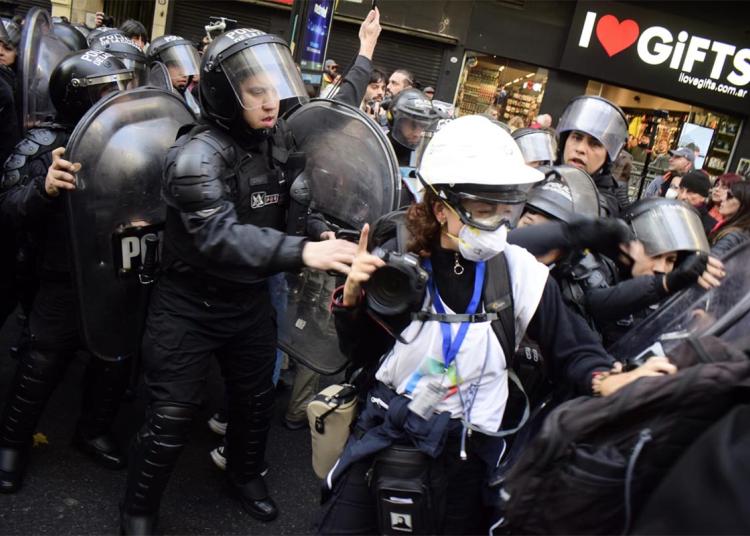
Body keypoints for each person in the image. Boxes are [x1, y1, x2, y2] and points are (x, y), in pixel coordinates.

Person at [317, 116, 676, 534]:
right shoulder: (402, 262)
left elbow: (573, 347)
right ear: (441, 208)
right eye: (484, 212)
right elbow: (362, 353)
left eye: (507, 211)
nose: (499, 226)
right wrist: (353, 300)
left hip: (466, 456)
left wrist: (609, 379)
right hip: (388, 435)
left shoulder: (518, 270)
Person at [119, 27, 358, 535]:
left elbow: (291, 208)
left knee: (254, 402)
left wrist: (320, 232)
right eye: (255, 92)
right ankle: (138, 509)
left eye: (274, 89)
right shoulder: (196, 157)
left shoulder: (277, 141)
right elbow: (218, 236)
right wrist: (304, 251)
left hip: (247, 302)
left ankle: (245, 474)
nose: (270, 102)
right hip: (188, 306)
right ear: (226, 94)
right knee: (171, 416)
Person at [0, 50, 136, 493]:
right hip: (61, 274)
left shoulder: (132, 139)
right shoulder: (42, 145)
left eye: (121, 87)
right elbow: (8, 209)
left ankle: (92, 431)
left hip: (116, 272)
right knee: (42, 360)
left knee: (114, 358)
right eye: (106, 90)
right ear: (77, 97)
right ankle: (12, 442)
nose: (118, 98)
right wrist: (44, 189)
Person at [556, 95, 628, 217]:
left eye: (595, 144)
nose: (580, 149)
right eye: (576, 138)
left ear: (607, 157)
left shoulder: (604, 207)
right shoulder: (543, 176)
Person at [146, 34, 201, 114]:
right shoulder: (148, 102)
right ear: (157, 67)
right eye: (175, 65)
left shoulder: (192, 101)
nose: (184, 73)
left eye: (187, 65)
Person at [709, 181, 750, 258]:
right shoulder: (735, 230)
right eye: (716, 185)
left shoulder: (734, 236)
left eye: (729, 196)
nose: (722, 198)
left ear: (744, 204)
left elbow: (710, 260)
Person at [676, 170, 716, 235]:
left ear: (703, 197)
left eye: (690, 192)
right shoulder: (669, 213)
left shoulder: (710, 227)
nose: (683, 196)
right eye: (681, 190)